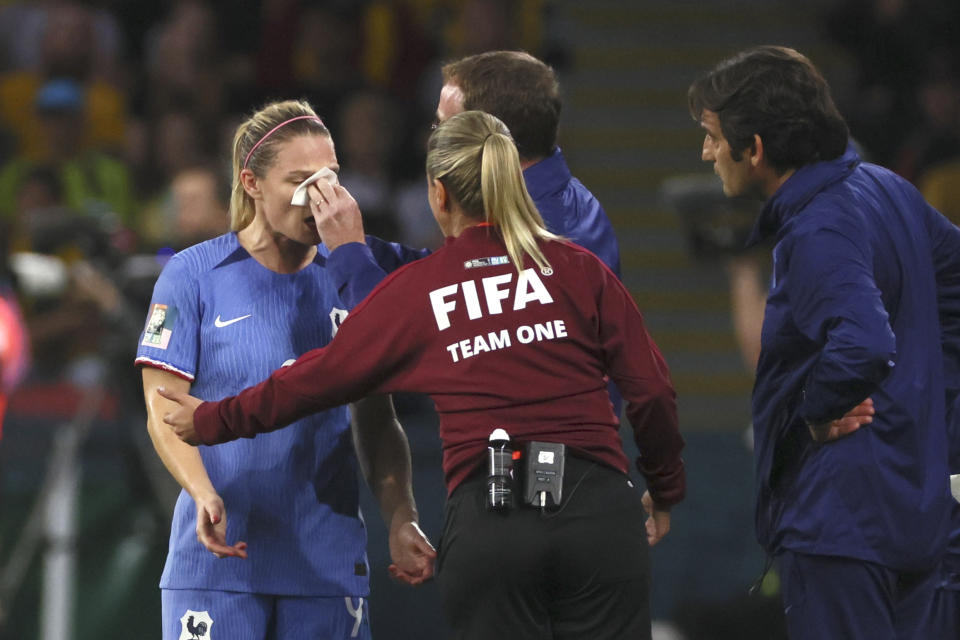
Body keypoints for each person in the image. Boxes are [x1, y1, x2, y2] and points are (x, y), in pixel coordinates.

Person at [159, 110, 686, 640]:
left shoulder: (428, 286)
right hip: (595, 507)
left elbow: (341, 366)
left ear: (438, 195)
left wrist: (214, 419)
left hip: (494, 512)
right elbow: (652, 390)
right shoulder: (579, 268)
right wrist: (664, 486)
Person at [135, 99, 435, 640]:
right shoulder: (191, 275)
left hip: (327, 565)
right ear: (251, 182)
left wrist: (400, 512)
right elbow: (163, 410)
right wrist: (202, 492)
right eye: (299, 180)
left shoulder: (350, 275)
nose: (319, 197)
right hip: (218, 563)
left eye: (330, 178)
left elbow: (377, 418)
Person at [688, 45, 960, 639]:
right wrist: (936, 414)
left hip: (841, 522)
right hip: (916, 511)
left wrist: (814, 412)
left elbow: (863, 343)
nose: (706, 152)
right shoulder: (889, 189)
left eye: (712, 136)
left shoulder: (816, 227)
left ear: (754, 149)